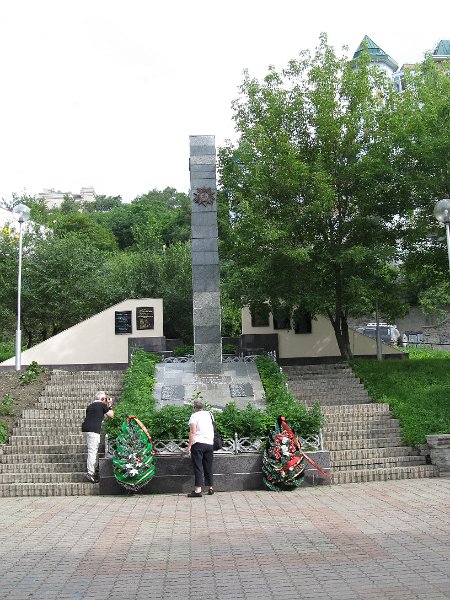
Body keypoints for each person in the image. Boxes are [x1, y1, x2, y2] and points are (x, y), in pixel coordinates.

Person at [81, 390, 114, 483]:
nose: (106, 400)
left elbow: (101, 415)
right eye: (105, 399)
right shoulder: (102, 405)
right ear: (102, 399)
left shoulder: (90, 406)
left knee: (92, 449)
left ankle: (92, 471)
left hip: (86, 429)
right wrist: (110, 405)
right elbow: (111, 415)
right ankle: (90, 473)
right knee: (92, 451)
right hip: (93, 430)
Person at [186, 399, 214, 497]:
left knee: (198, 466)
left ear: (194, 407)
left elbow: (193, 432)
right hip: (210, 443)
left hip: (198, 443)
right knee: (208, 466)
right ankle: (211, 487)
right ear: (203, 407)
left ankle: (198, 490)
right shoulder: (209, 414)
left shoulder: (194, 416)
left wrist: (189, 446)